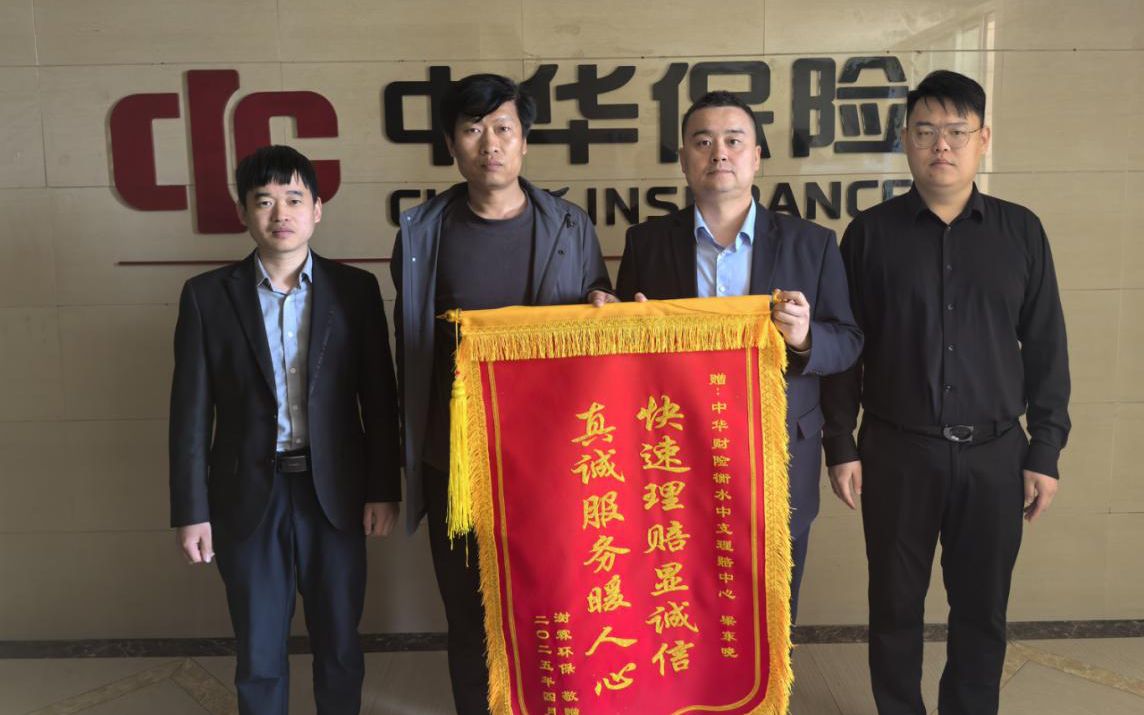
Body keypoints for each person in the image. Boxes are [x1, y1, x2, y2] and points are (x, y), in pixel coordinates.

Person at [821, 70, 1070, 715]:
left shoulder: (1021, 232)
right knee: (894, 606)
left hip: (995, 454)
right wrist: (840, 444)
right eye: (926, 130)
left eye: (957, 131)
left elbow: (1047, 347)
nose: (941, 145)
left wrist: (1044, 449)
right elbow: (846, 349)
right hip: (897, 451)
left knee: (982, 609)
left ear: (982, 139)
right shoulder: (869, 234)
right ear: (905, 139)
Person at [390, 73, 613, 714]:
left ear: (524, 141)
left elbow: (598, 316)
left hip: (555, 462)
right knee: (469, 614)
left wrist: (604, 306)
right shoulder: (422, 234)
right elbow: (411, 345)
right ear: (451, 145)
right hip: (457, 461)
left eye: (503, 128)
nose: (489, 143)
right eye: (472, 129)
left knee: (555, 603)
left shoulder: (569, 225)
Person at [169, 145, 401, 714]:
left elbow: (379, 398)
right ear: (244, 213)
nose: (281, 214)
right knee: (258, 652)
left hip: (335, 494)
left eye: (295, 199)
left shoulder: (355, 290)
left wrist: (383, 489)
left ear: (317, 209)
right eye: (265, 201)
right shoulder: (207, 297)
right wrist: (191, 510)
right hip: (248, 495)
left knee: (340, 644)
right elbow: (190, 414)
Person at [615, 90, 863, 620]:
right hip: (675, 458)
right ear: (684, 159)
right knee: (682, 608)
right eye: (703, 142)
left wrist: (805, 338)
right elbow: (621, 362)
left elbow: (848, 341)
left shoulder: (812, 243)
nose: (719, 153)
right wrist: (627, 330)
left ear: (756, 157)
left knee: (771, 611)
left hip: (780, 454)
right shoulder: (646, 244)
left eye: (733, 140)